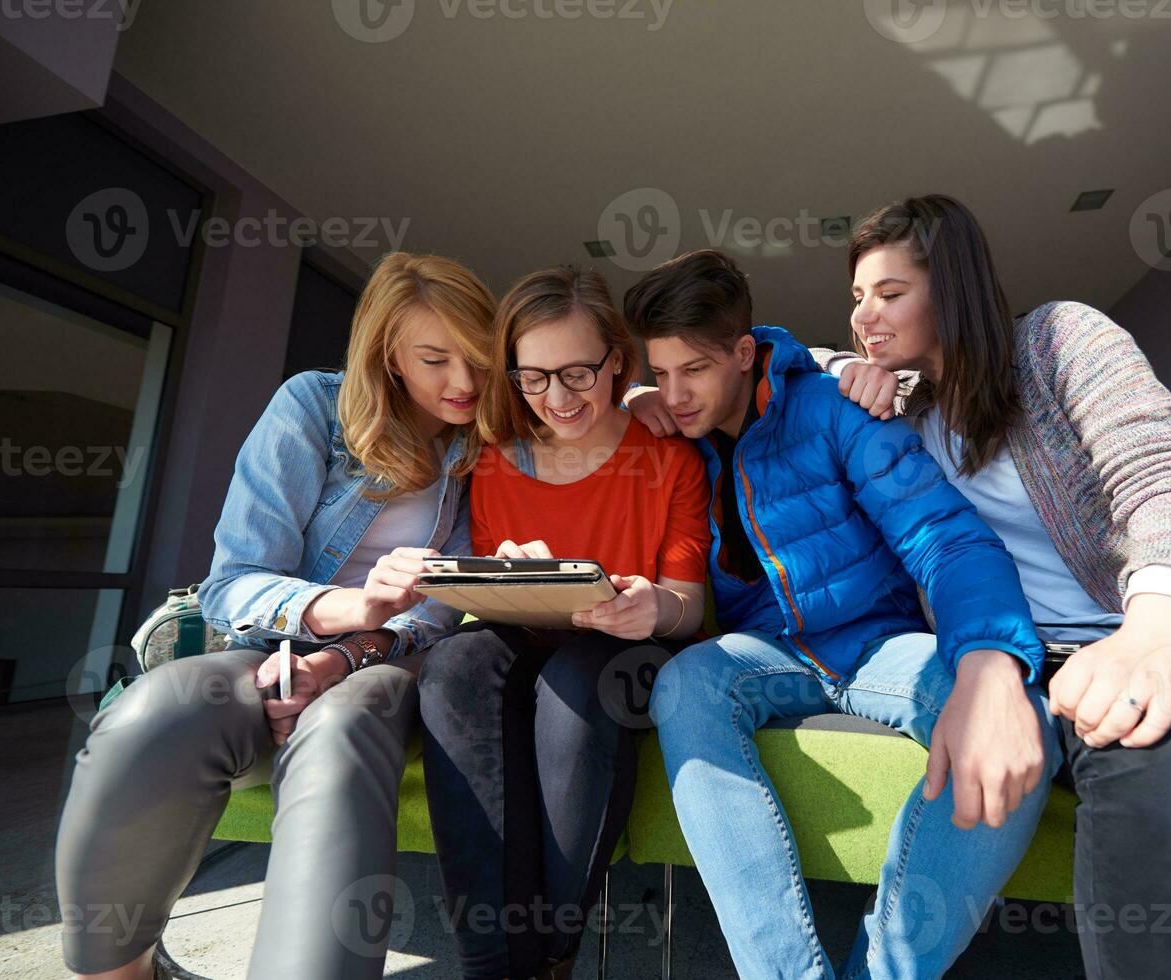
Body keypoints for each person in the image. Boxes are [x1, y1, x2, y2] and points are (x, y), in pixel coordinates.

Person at [638, 194, 1171, 978]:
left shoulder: (1054, 342)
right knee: (1170, 796)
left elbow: (1154, 476)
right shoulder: (890, 405)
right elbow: (780, 370)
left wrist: (1147, 634)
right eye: (856, 297)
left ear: (949, 289)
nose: (862, 316)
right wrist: (637, 398)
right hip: (1044, 659)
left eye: (887, 293)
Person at [618, 248, 1061, 978]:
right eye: (659, 373)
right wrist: (631, 398)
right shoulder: (670, 436)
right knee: (684, 684)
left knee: (1014, 720)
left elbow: (943, 540)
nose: (676, 393)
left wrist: (991, 661)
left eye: (691, 371)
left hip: (880, 645)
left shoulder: (835, 408)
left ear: (740, 351)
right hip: (761, 655)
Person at [56, 252, 495, 980]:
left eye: (480, 360)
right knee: (152, 713)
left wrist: (353, 649)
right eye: (435, 358)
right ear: (388, 352)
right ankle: (123, 971)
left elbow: (447, 605)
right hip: (272, 648)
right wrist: (338, 608)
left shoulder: (485, 444)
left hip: (394, 663)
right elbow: (232, 581)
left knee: (340, 726)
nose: (464, 383)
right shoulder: (312, 408)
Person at [416, 265, 710, 980]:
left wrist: (652, 606)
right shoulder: (492, 462)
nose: (557, 398)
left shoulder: (668, 458)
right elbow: (479, 600)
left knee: (574, 687)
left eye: (578, 373)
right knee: (453, 666)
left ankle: (550, 953)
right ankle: (494, 965)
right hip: (527, 636)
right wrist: (508, 574)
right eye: (533, 378)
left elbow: (688, 602)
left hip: (625, 646)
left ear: (617, 360)